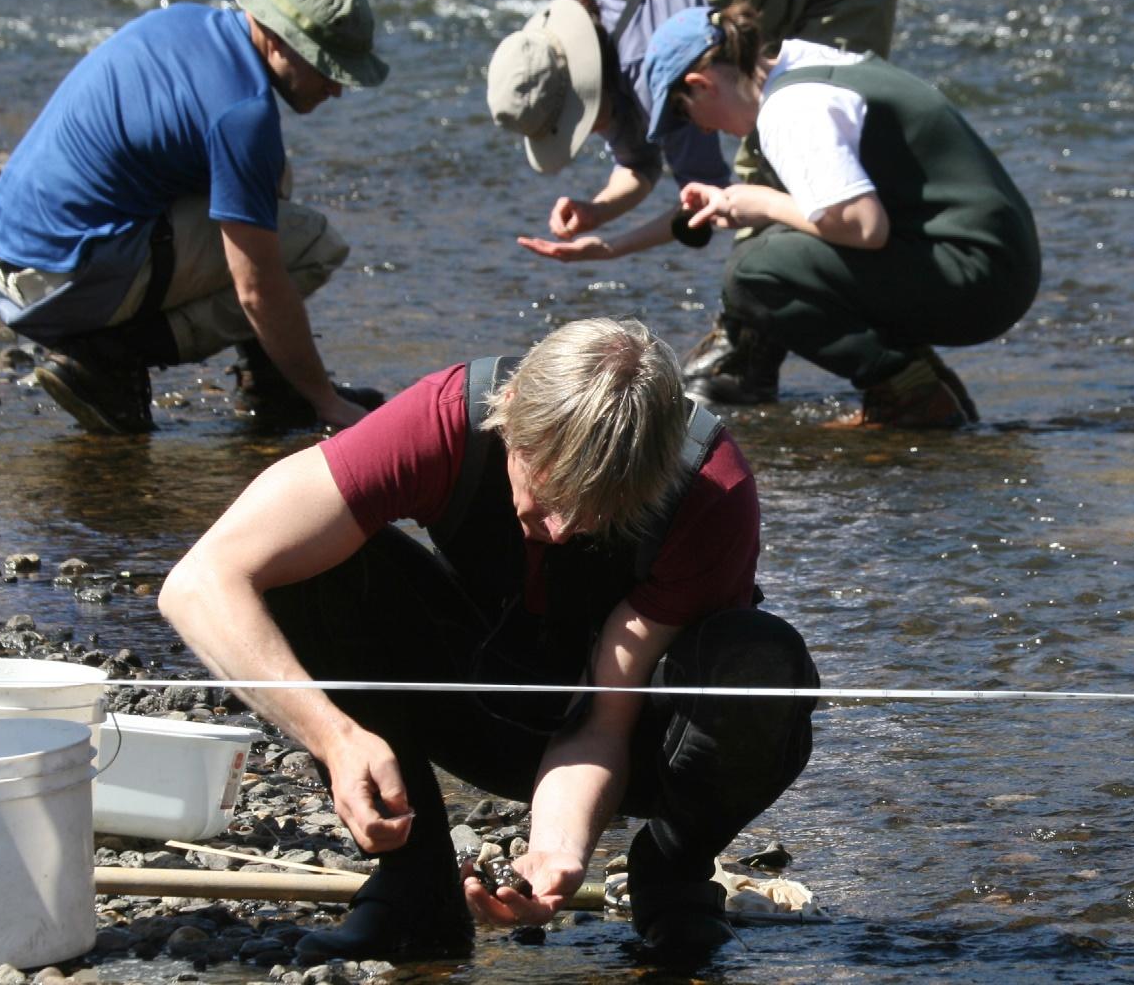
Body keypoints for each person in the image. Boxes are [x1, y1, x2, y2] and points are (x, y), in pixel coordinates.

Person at [158, 317, 818, 967]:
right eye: (550, 491)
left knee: (760, 660)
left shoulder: (709, 491)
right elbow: (199, 582)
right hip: (478, 698)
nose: (563, 528)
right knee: (300, 564)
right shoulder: (443, 418)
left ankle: (672, 878)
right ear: (506, 417)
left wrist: (556, 853)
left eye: (598, 506)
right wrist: (335, 736)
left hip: (642, 745)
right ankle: (414, 888)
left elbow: (600, 721)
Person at [0, 0, 389, 434]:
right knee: (313, 245)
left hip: (5, 258)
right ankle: (110, 359)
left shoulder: (181, 23)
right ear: (278, 41)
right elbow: (257, 289)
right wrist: (327, 402)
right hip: (57, 284)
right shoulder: (242, 115)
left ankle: (272, 381)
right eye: (327, 69)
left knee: (269, 183)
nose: (336, 89)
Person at [640, 2, 1042, 429]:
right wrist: (745, 204)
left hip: (980, 281)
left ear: (701, 84)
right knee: (772, 246)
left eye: (684, 113)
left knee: (755, 271)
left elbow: (864, 227)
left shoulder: (790, 109)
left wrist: (761, 202)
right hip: (997, 262)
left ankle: (908, 396)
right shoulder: (813, 63)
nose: (700, 129)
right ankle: (928, 384)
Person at [485, 0, 896, 263]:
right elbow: (638, 162)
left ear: (586, 86)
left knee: (774, 168)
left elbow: (712, 199)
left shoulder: (657, 68)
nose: (590, 131)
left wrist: (612, 247)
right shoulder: (598, 32)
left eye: (578, 122)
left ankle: (755, 323)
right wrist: (598, 211)